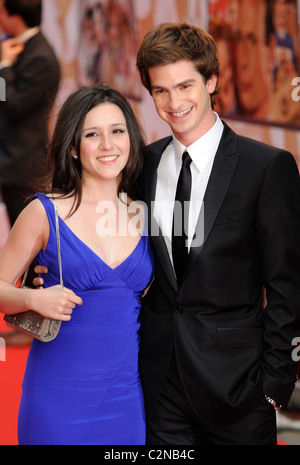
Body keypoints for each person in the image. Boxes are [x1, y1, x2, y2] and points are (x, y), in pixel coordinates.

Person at [134, 22, 300, 445]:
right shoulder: (144, 166)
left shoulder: (266, 167)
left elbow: (287, 284)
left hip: (240, 392)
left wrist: (276, 387)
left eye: (185, 85)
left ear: (211, 80)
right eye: (160, 91)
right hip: (162, 385)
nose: (174, 102)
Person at [0, 84, 154, 445]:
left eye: (117, 131)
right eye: (92, 135)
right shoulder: (44, 213)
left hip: (126, 398)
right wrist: (33, 299)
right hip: (57, 398)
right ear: (72, 147)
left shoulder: (145, 215)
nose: (107, 145)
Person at [0, 0, 60, 345]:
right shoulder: (21, 49)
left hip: (27, 164)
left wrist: (4, 67)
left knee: (36, 250)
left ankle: (35, 320)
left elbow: (15, 104)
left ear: (14, 13)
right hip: (12, 160)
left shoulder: (40, 56)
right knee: (21, 245)